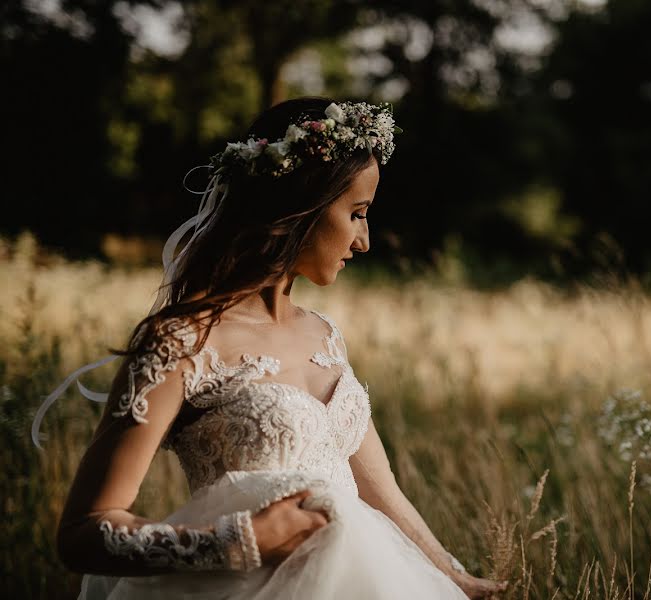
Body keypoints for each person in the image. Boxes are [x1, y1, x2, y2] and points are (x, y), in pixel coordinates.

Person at [33, 97, 508, 599]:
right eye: (357, 213)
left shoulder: (324, 336)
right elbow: (83, 532)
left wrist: (453, 579)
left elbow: (381, 490)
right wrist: (237, 543)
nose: (363, 240)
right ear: (300, 205)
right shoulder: (181, 342)